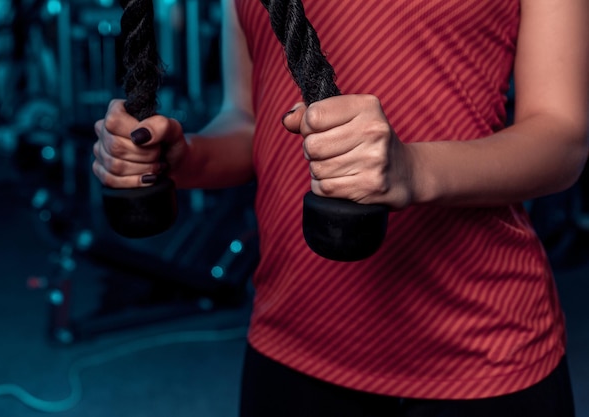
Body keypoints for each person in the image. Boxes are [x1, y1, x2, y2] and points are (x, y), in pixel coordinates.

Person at [93, 0, 589, 415]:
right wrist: (181, 156)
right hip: (290, 337)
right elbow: (248, 120)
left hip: (483, 349)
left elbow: (562, 138)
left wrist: (412, 169)